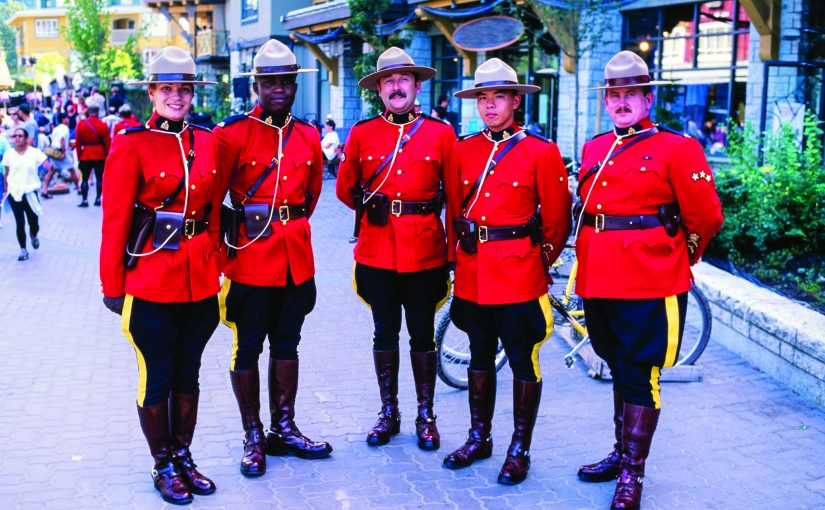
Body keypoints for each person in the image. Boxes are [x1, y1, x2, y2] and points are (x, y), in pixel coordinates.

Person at [574, 51, 723, 510]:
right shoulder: (596, 147)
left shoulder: (678, 149)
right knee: (618, 367)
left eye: (629, 94)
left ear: (647, 98)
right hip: (599, 279)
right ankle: (621, 454)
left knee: (641, 375)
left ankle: (632, 476)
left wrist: (678, 257)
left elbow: (706, 215)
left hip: (649, 281)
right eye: (613, 95)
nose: (620, 102)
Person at [98, 46, 222, 505]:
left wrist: (217, 266)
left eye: (183, 89)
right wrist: (113, 286)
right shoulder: (131, 143)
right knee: (158, 376)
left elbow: (211, 215)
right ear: (152, 92)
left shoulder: (208, 141)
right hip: (149, 280)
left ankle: (184, 456)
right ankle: (163, 464)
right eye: (167, 88)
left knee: (189, 373)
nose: (176, 97)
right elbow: (114, 220)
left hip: (199, 280)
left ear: (192, 94)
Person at [442, 58, 572, 485]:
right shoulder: (463, 149)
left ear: (516, 100)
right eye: (483, 97)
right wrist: (457, 261)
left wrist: (538, 261)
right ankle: (479, 437)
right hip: (475, 272)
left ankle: (520, 447)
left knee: (521, 359)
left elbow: (556, 221)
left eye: (499, 96)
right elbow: (455, 214)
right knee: (479, 357)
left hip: (519, 273)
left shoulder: (541, 151)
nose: (490, 105)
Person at [214, 38, 330, 478]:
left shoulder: (308, 135)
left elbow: (311, 196)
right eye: (270, 81)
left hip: (295, 258)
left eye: (286, 80)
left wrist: (287, 225)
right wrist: (222, 259)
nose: (279, 87)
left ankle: (284, 428)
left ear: (294, 85)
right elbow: (213, 202)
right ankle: (253, 434)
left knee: (288, 344)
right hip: (248, 259)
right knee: (247, 347)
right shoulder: (232, 134)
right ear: (256, 86)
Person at [336, 47, 455, 451]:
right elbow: (344, 188)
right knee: (383, 333)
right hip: (378, 251)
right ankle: (389, 412)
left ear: (417, 86)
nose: (397, 86)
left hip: (425, 250)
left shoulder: (441, 134)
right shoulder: (362, 133)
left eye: (404, 79)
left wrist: (454, 253)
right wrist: (369, 204)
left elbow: (455, 199)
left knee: (423, 335)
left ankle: (426, 414)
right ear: (379, 90)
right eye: (389, 80)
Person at [1, 127, 53, 261]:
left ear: (25, 138)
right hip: (14, 192)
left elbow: (48, 166)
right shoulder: (9, 155)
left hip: (30, 192)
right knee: (20, 222)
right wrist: (6, 191)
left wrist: (44, 180)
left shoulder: (34, 153)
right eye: (15, 136)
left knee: (33, 222)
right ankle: (23, 250)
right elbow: (7, 174)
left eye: (20, 136)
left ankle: (34, 235)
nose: (17, 138)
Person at [75, 104, 110, 207]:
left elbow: (78, 142)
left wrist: (79, 156)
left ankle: (85, 200)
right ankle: (98, 199)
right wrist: (107, 155)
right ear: (98, 112)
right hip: (99, 154)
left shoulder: (81, 124)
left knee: (84, 178)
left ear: (88, 112)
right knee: (99, 178)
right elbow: (108, 142)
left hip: (85, 154)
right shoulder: (102, 125)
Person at [40, 113, 80, 196]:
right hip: (60, 151)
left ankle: (44, 189)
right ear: (63, 119)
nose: (68, 120)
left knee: (51, 171)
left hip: (53, 151)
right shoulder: (65, 128)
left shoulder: (56, 128)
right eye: (67, 118)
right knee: (72, 169)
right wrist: (63, 152)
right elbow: (61, 139)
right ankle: (78, 188)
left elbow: (55, 139)